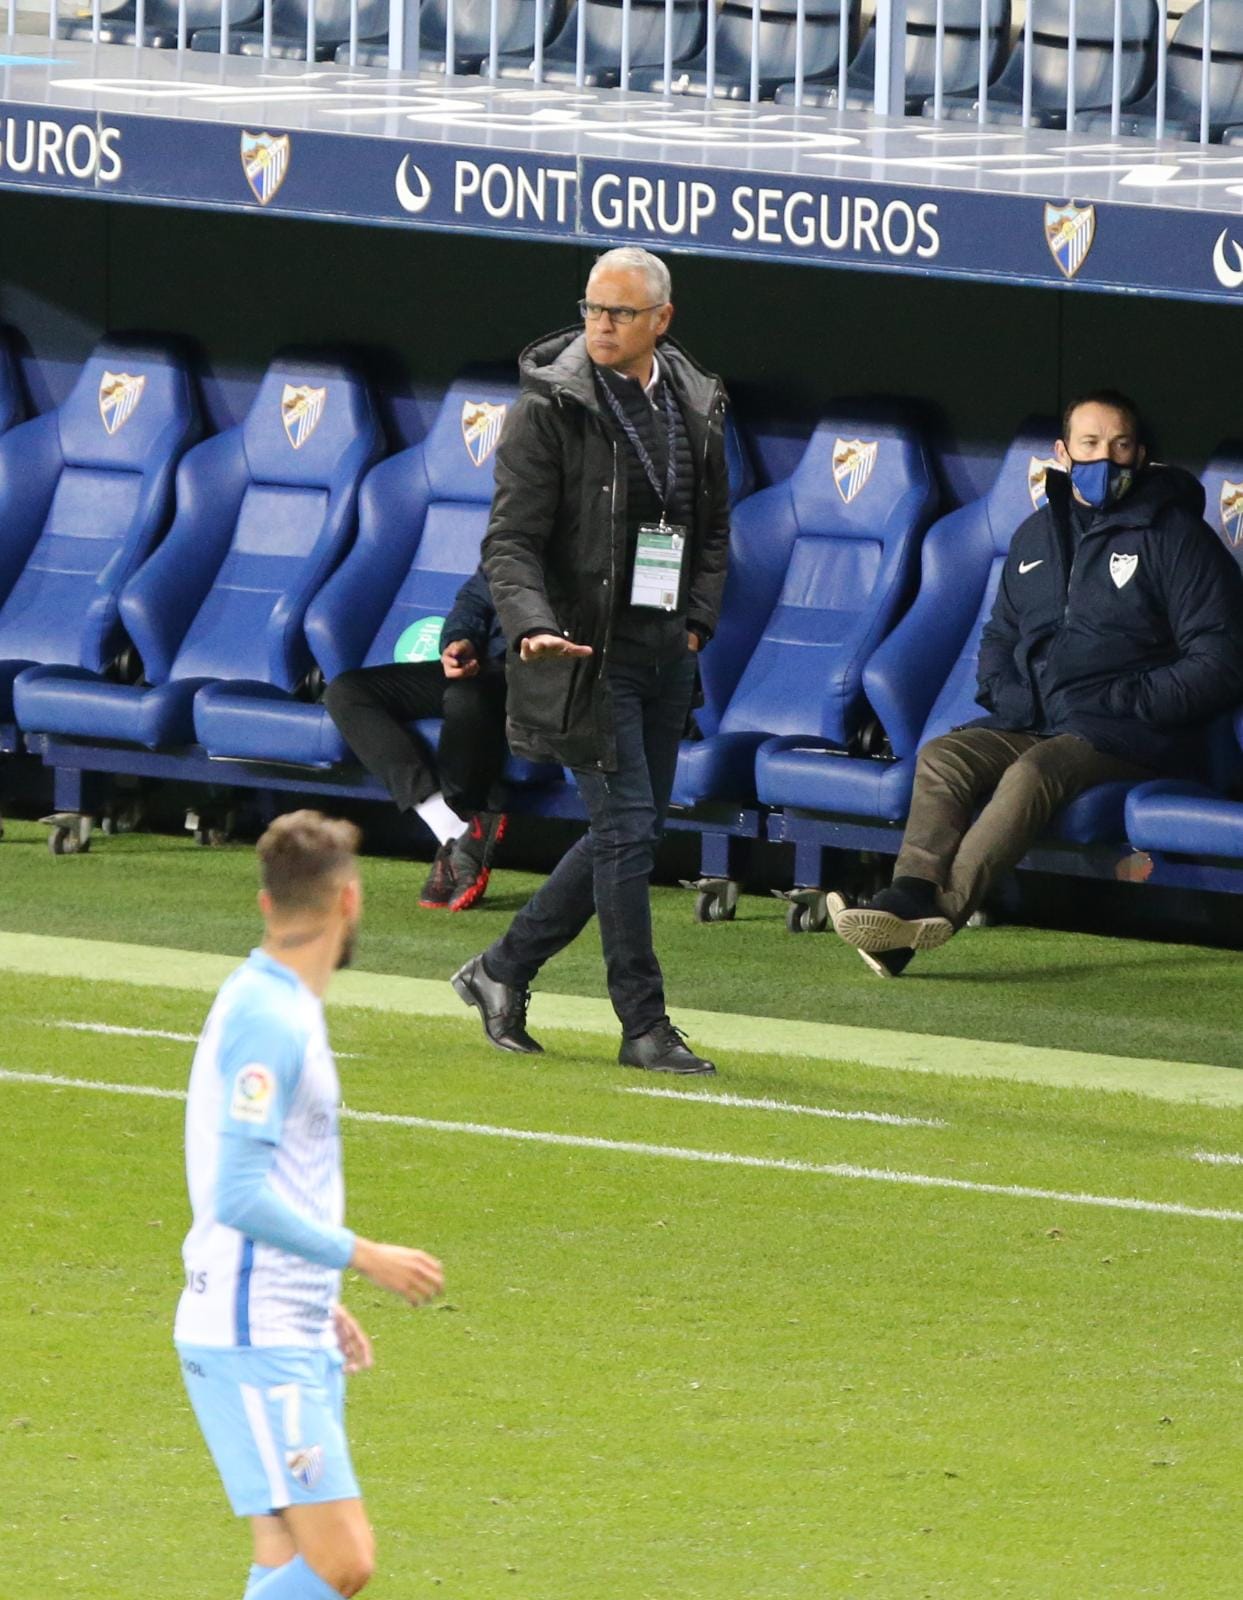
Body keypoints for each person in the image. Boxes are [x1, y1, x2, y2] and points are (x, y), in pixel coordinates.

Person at [832, 389, 1243, 977]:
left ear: (1141, 454)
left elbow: (1222, 660)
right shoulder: (1034, 536)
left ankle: (939, 914)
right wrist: (1008, 693)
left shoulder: (1177, 537)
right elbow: (999, 636)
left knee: (1034, 773)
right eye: (1091, 445)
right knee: (945, 755)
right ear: (1063, 452)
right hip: (1033, 719)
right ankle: (910, 893)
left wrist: (1129, 700)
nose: (1107, 459)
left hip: (1131, 736)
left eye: (1120, 446)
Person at [451, 247, 730, 1075]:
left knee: (631, 829)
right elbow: (508, 542)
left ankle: (500, 970)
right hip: (581, 651)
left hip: (663, 643)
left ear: (660, 321)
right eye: (591, 309)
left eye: (617, 313)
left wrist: (695, 624)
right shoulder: (548, 407)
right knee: (626, 832)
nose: (600, 325)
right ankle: (642, 1024)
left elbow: (711, 530)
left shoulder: (696, 400)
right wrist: (528, 624)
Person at [174, 810, 444, 1598]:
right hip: (253, 1331)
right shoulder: (270, 1017)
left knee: (283, 1559)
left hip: (274, 1316)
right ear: (350, 902)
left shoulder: (274, 999)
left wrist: (316, 1294)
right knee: (342, 1560)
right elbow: (235, 1190)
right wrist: (361, 1257)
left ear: (266, 904)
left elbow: (276, 1177)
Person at [323, 565, 509, 911]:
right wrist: (459, 641)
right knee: (346, 693)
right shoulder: (512, 535)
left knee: (465, 698)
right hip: (482, 668)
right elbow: (472, 601)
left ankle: (462, 837)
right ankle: (453, 830)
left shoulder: (591, 539)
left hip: (539, 675)